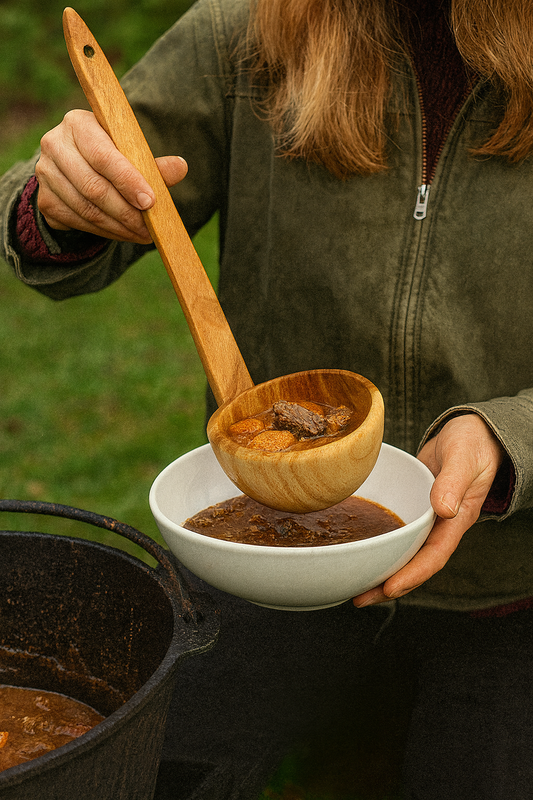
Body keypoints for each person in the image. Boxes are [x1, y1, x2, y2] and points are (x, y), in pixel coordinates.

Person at [1, 0, 533, 797]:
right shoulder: (244, 31)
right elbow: (45, 205)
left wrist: (510, 434)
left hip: (512, 591)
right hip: (267, 565)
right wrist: (60, 201)